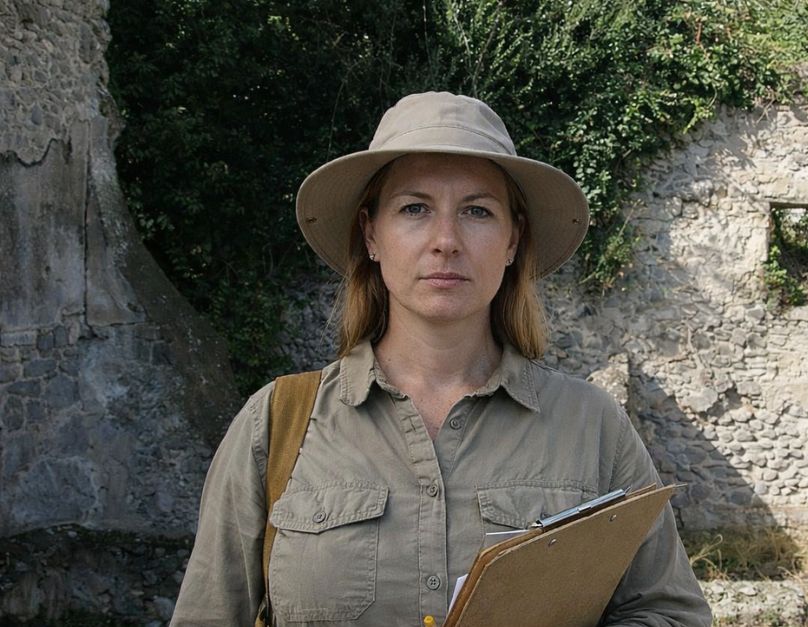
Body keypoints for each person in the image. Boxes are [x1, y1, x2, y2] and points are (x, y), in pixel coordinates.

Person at [171, 92, 711, 626]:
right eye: (414, 209)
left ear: (512, 240)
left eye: (477, 211)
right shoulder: (275, 425)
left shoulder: (593, 425)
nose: (446, 240)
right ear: (371, 234)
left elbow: (669, 613)